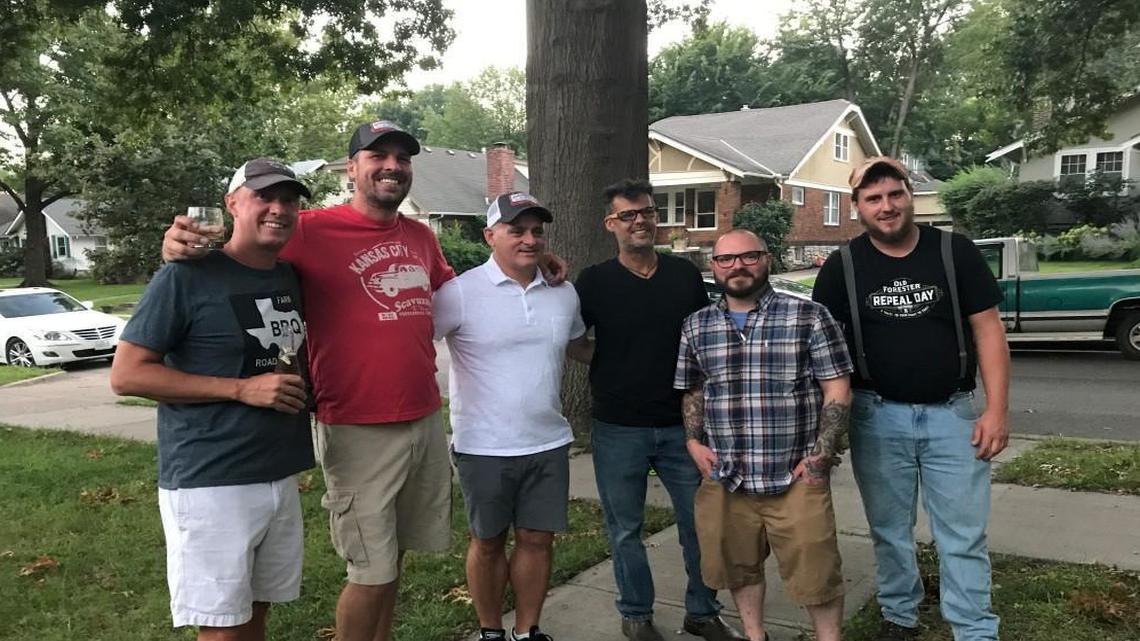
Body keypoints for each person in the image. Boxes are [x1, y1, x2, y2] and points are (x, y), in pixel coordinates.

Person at [162, 121, 567, 641]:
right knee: (370, 572)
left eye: (403, 157)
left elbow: (465, 291)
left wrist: (529, 259)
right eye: (378, 155)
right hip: (355, 424)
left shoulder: (420, 236)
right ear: (351, 168)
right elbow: (238, 259)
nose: (392, 166)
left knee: (391, 562)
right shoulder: (306, 229)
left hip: (421, 418)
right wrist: (177, 246)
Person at [111, 158, 314, 641]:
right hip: (211, 478)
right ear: (232, 204)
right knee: (222, 627)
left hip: (278, 470)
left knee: (257, 611)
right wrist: (241, 389)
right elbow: (127, 375)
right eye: (264, 196)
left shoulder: (288, 276)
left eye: (288, 200)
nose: (278, 209)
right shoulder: (184, 277)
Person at [811, 156, 1009, 641]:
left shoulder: (954, 251)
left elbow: (989, 330)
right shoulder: (843, 266)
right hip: (876, 417)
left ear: (909, 197)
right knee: (888, 529)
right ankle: (901, 615)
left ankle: (974, 628)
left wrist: (996, 410)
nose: (887, 206)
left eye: (895, 194)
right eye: (873, 198)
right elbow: (821, 350)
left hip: (953, 415)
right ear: (857, 206)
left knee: (962, 533)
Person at [572, 179, 743, 641]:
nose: (640, 221)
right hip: (617, 425)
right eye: (628, 215)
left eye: (646, 212)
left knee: (699, 524)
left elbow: (704, 340)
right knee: (625, 527)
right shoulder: (595, 281)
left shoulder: (683, 276)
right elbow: (574, 342)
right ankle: (636, 613)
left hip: (680, 426)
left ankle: (702, 612)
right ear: (611, 224)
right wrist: (611, 359)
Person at [675, 229, 853, 641]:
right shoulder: (697, 325)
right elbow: (695, 388)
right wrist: (693, 441)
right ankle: (756, 636)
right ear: (714, 266)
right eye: (726, 259)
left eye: (748, 257)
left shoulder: (809, 316)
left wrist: (822, 455)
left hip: (795, 475)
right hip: (727, 475)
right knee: (739, 567)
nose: (737, 266)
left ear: (766, 259)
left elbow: (837, 387)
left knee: (817, 574)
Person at [433, 192, 588, 641]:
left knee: (538, 540)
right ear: (490, 235)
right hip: (484, 446)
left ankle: (526, 630)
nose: (529, 239)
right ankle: (489, 632)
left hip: (548, 441)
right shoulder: (459, 293)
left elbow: (578, 345)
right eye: (516, 230)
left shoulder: (563, 292)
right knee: (487, 542)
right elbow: (414, 341)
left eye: (537, 231)